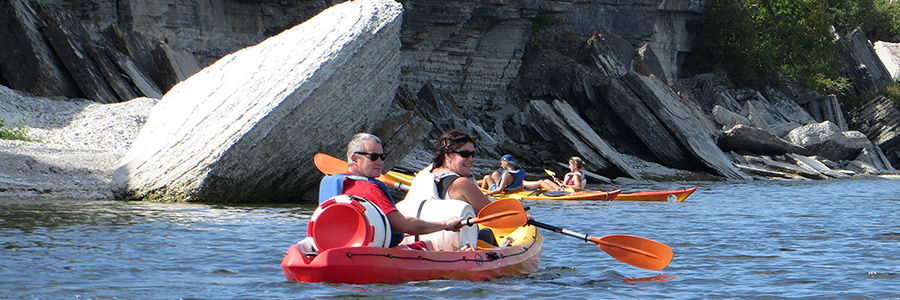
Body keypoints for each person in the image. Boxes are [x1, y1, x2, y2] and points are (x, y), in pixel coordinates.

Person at [341, 133, 464, 247]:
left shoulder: (341, 184)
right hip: (375, 254)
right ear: (355, 159)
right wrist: (445, 224)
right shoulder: (370, 190)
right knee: (427, 245)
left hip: (349, 248)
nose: (380, 162)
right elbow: (405, 225)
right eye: (373, 157)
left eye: (382, 157)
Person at [429, 129, 493, 212]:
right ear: (448, 155)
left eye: (472, 154)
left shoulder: (428, 175)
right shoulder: (461, 184)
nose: (471, 159)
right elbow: (497, 216)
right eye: (465, 154)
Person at [523, 156, 587, 191]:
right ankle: (524, 183)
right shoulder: (579, 174)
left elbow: (578, 187)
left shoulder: (576, 175)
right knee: (546, 181)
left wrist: (564, 186)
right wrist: (560, 181)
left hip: (562, 192)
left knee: (541, 182)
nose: (569, 167)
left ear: (575, 166)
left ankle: (523, 184)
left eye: (570, 165)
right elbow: (570, 184)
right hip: (563, 189)